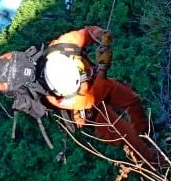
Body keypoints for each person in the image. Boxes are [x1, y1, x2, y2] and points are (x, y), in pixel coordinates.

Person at [39, 25, 158, 164]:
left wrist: (101, 35)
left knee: (132, 100)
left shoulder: (63, 46)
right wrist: (102, 67)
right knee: (127, 134)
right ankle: (156, 165)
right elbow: (91, 99)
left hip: (95, 81)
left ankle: (146, 134)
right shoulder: (57, 98)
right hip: (91, 108)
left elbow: (88, 32)